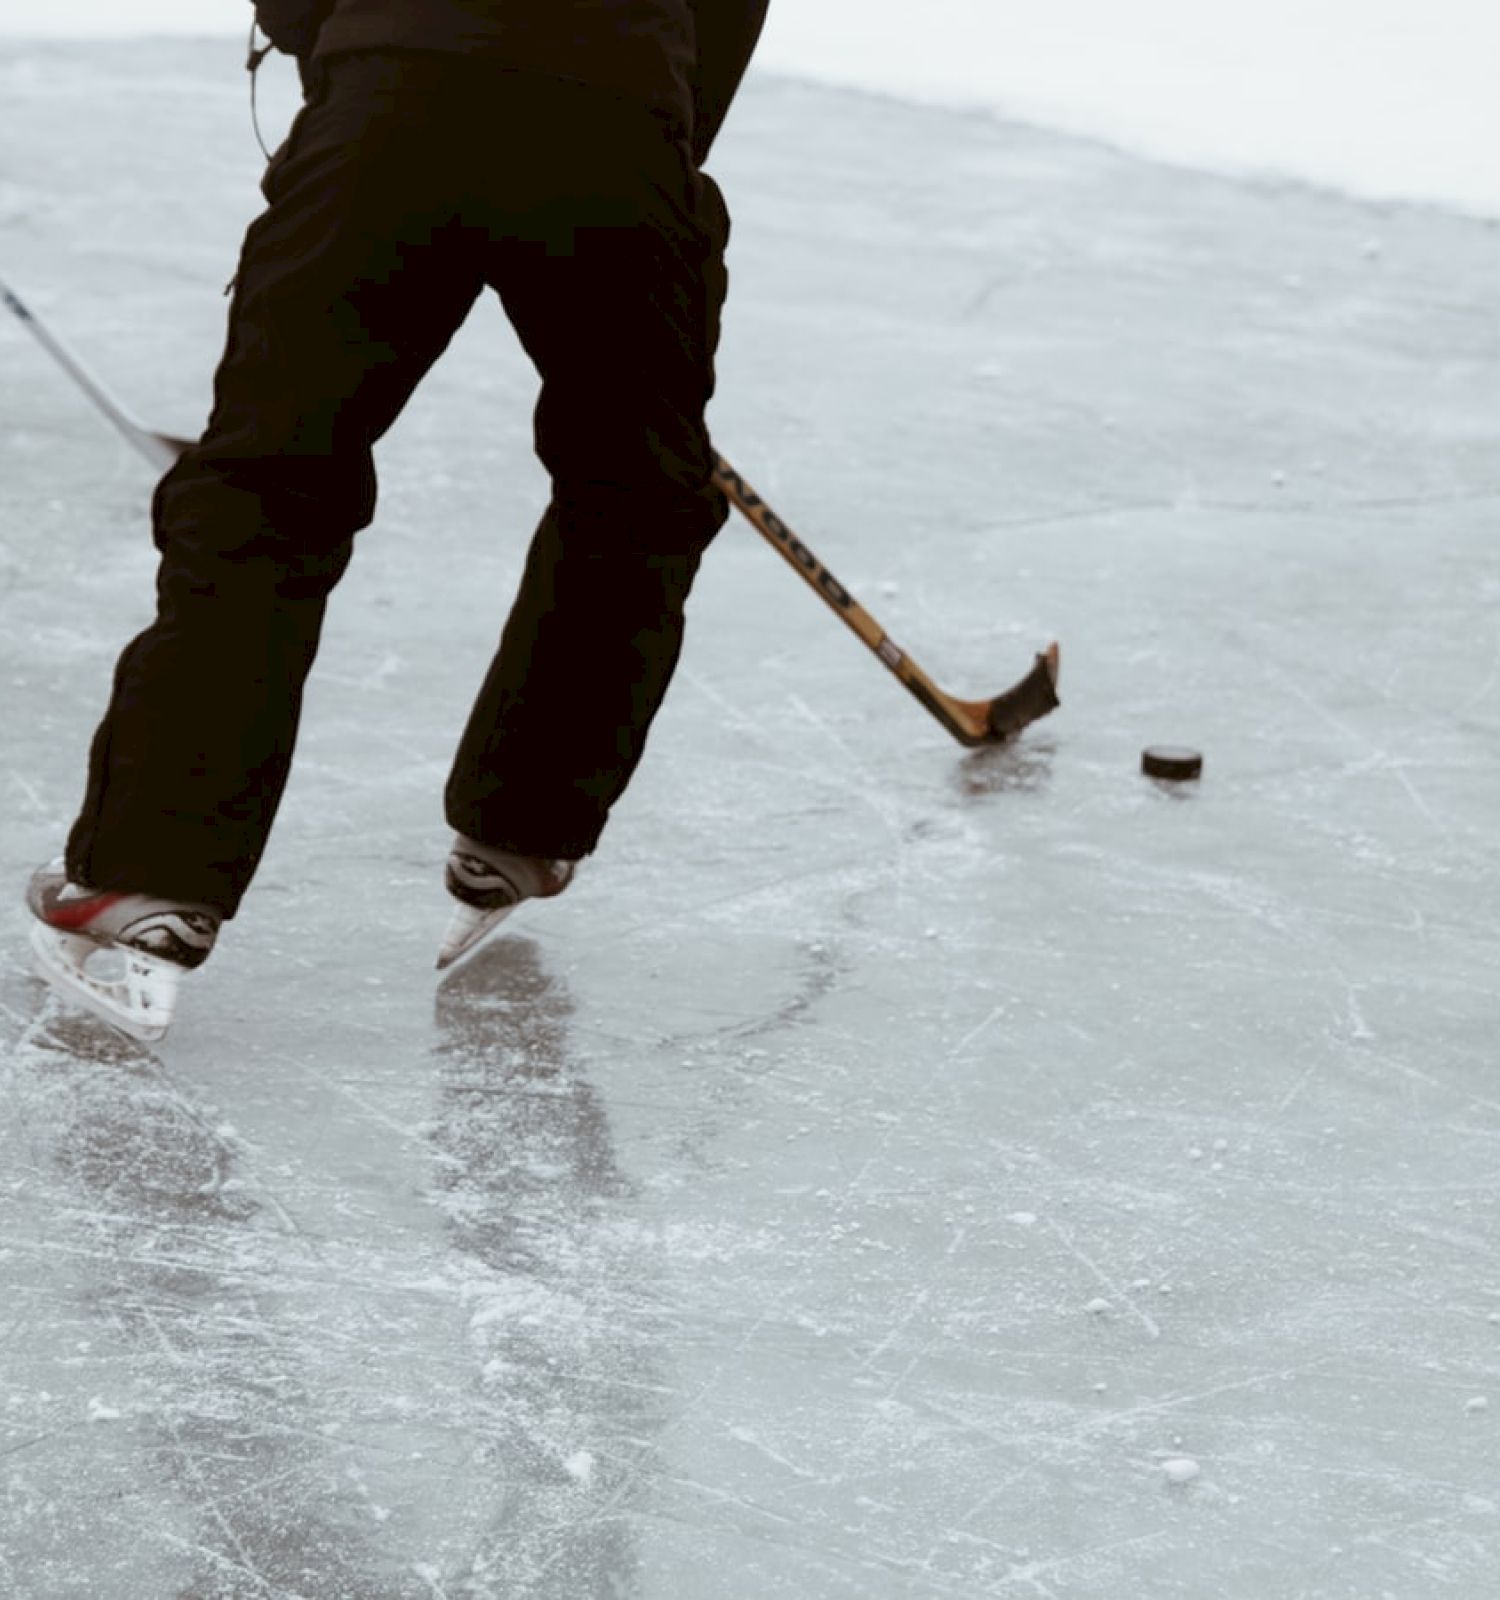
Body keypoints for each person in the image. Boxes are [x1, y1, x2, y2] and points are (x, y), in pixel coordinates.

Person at [26, 0, 771, 1041]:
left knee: (268, 489)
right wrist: (658, 131)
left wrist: (331, 53)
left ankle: (149, 871)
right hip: (613, 110)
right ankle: (524, 827)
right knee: (635, 494)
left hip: (400, 86)